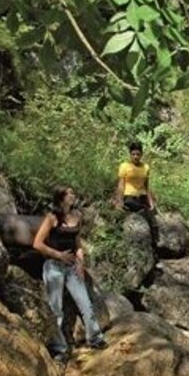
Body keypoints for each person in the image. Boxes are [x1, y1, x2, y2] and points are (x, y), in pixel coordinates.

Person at [33, 185, 107, 361]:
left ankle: (95, 338)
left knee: (85, 302)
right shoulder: (52, 218)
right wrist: (59, 255)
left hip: (73, 267)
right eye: (70, 193)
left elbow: (77, 243)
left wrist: (81, 263)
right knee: (56, 307)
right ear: (61, 197)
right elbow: (37, 243)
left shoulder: (76, 217)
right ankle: (59, 348)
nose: (73, 196)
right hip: (53, 266)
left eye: (73, 192)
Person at [115, 141, 156, 213]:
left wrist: (151, 202)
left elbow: (147, 186)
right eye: (133, 154)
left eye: (138, 154)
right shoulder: (124, 166)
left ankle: (144, 210)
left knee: (150, 213)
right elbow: (121, 185)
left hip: (142, 196)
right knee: (129, 203)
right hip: (129, 196)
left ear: (141, 155)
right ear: (130, 154)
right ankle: (142, 209)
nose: (135, 157)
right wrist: (119, 201)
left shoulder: (145, 167)